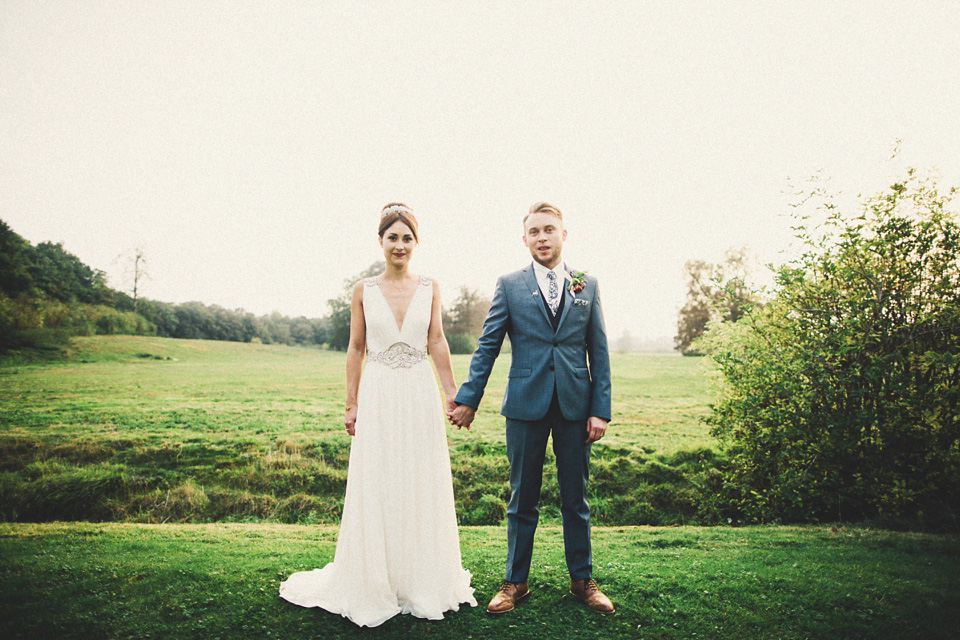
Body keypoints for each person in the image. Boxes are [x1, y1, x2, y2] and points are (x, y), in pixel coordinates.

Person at [280, 203, 477, 627]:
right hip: (380, 392)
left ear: (416, 242)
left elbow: (438, 341)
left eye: (407, 238)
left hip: (419, 393)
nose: (400, 245)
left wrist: (451, 393)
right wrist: (352, 404)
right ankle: (373, 579)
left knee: (418, 476)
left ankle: (421, 579)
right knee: (381, 478)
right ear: (381, 241)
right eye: (393, 237)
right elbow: (356, 348)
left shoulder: (430, 287)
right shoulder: (363, 290)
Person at [448, 202, 614, 615]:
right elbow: (488, 346)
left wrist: (601, 409)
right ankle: (514, 583)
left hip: (577, 406)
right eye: (534, 232)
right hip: (525, 406)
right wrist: (468, 398)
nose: (542, 237)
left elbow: (599, 350)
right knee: (523, 499)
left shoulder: (586, 285)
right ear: (525, 239)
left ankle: (583, 580)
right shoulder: (509, 285)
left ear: (563, 234)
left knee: (576, 498)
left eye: (549, 230)